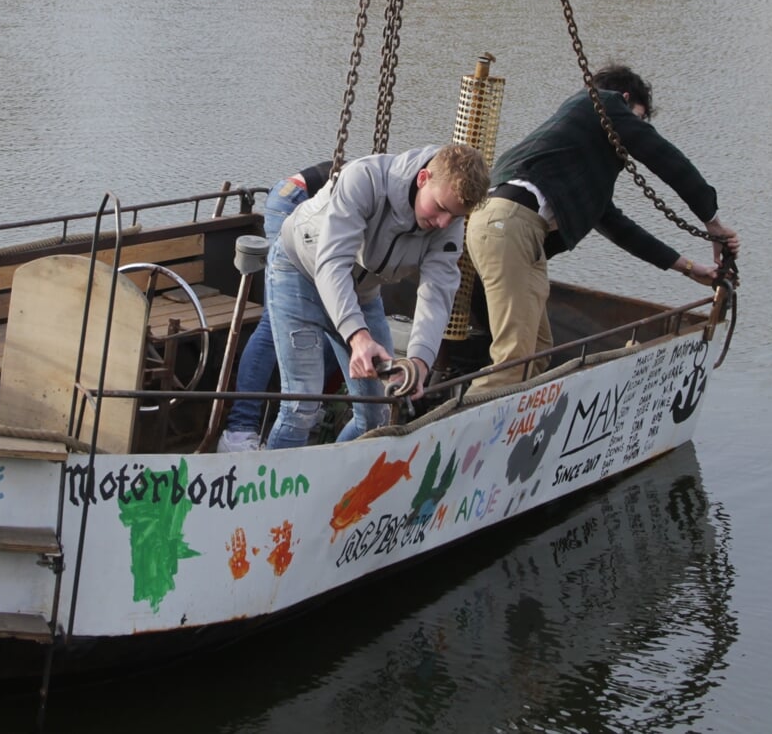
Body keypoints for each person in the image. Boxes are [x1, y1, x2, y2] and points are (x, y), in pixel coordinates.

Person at [466, 65, 739, 383]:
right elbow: (665, 157)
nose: (634, 137)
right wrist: (712, 222)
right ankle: (461, 429)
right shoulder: (603, 102)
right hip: (510, 227)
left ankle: (507, 425)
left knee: (537, 353)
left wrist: (691, 268)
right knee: (515, 362)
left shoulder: (574, 154)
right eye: (638, 120)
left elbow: (618, 227)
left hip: (509, 231)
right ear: (624, 100)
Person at [264, 143, 489, 449]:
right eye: (440, 208)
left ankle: (334, 482)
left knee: (377, 415)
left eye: (456, 216)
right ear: (423, 178)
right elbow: (331, 263)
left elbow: (437, 292)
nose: (443, 223)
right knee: (301, 405)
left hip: (362, 291)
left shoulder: (447, 222)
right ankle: (280, 495)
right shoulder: (364, 179)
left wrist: (420, 362)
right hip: (299, 272)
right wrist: (358, 337)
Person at [215, 161, 331, 453]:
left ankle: (308, 407)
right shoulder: (382, 189)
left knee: (332, 317)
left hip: (299, 200)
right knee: (274, 320)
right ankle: (239, 430)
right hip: (293, 202)